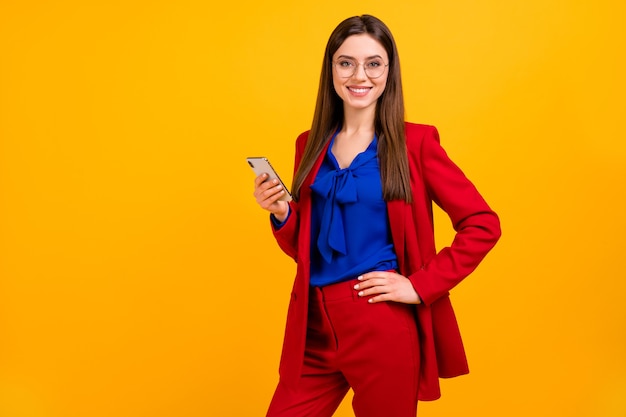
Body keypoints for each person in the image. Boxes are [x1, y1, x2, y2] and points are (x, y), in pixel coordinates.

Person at [252, 14, 501, 417]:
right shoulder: (309, 145)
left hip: (380, 324)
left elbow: (483, 223)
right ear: (331, 69)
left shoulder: (415, 143)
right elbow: (305, 250)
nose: (359, 75)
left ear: (389, 71)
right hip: (312, 327)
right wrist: (282, 211)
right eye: (346, 62)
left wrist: (420, 286)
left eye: (373, 63)